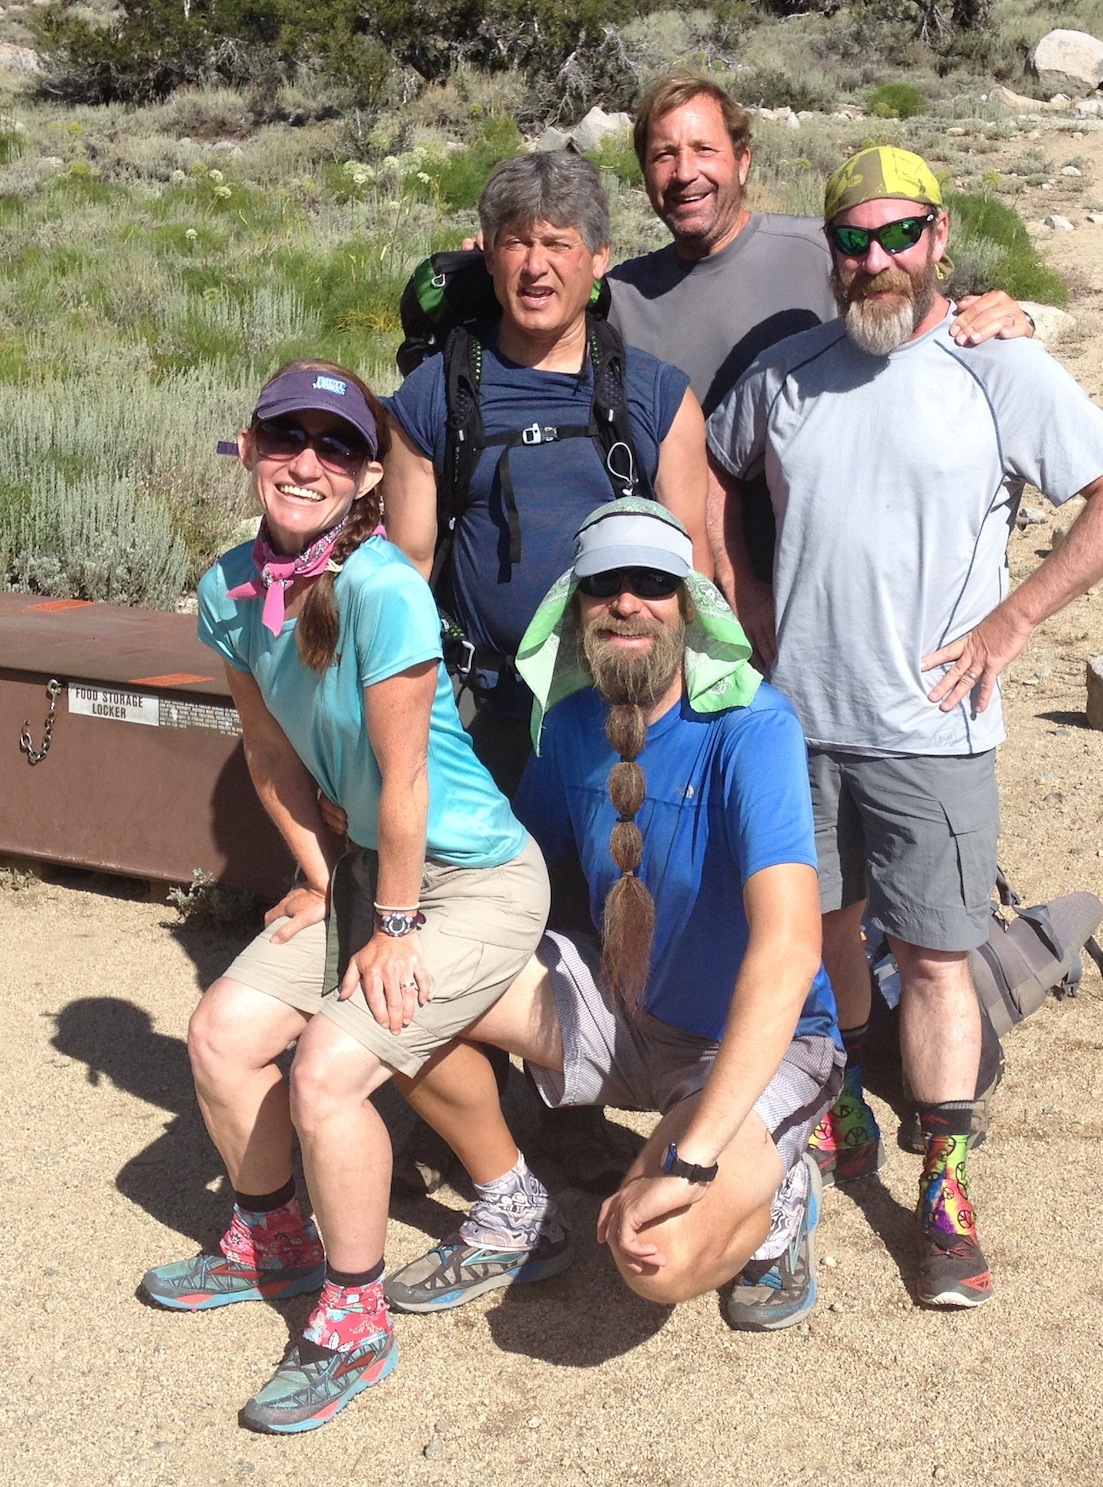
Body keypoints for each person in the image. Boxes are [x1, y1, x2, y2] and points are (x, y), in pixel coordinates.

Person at [706, 147, 1103, 1309]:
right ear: (830, 252)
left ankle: (945, 1181)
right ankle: (848, 1105)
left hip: (932, 730)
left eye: (897, 235)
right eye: (853, 240)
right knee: (819, 939)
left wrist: (1014, 621)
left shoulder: (993, 364)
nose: (876, 260)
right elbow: (707, 472)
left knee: (937, 958)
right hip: (796, 725)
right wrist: (748, 608)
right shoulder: (789, 374)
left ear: (940, 235)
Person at [140, 362, 549, 1433]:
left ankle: (354, 1313)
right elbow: (268, 747)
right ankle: (273, 1236)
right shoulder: (230, 586)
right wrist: (323, 879)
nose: (304, 463)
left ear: (368, 474)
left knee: (328, 1066)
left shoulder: (381, 586)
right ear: (250, 443)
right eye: (286, 436)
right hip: (366, 866)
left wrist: (395, 923)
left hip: (472, 876)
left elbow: (404, 777)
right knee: (221, 1031)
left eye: (333, 445)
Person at [382, 498, 843, 1333]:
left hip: (747, 1045)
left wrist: (696, 1158)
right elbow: (516, 878)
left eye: (653, 582)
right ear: (576, 604)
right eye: (604, 584)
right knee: (401, 991)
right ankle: (511, 1203)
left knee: (652, 1257)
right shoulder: (567, 726)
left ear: (687, 604)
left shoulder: (751, 727)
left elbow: (786, 947)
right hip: (620, 1011)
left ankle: (779, 1187)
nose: (627, 600)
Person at [381, 150, 711, 1193]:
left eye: (558, 243)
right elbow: (406, 574)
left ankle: (655, 1092)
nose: (536, 264)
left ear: (597, 261)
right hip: (488, 708)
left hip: (621, 708)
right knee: (483, 904)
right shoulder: (434, 398)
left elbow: (691, 565)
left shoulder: (654, 394)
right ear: (488, 252)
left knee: (622, 895)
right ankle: (499, 1114)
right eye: (517, 240)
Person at [607, 71, 1035, 578]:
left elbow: (921, 315)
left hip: (829, 587)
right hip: (679, 592)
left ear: (743, 162)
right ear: (643, 173)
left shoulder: (832, 253)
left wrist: (1013, 319)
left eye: (704, 149)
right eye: (663, 155)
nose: (684, 172)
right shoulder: (617, 297)